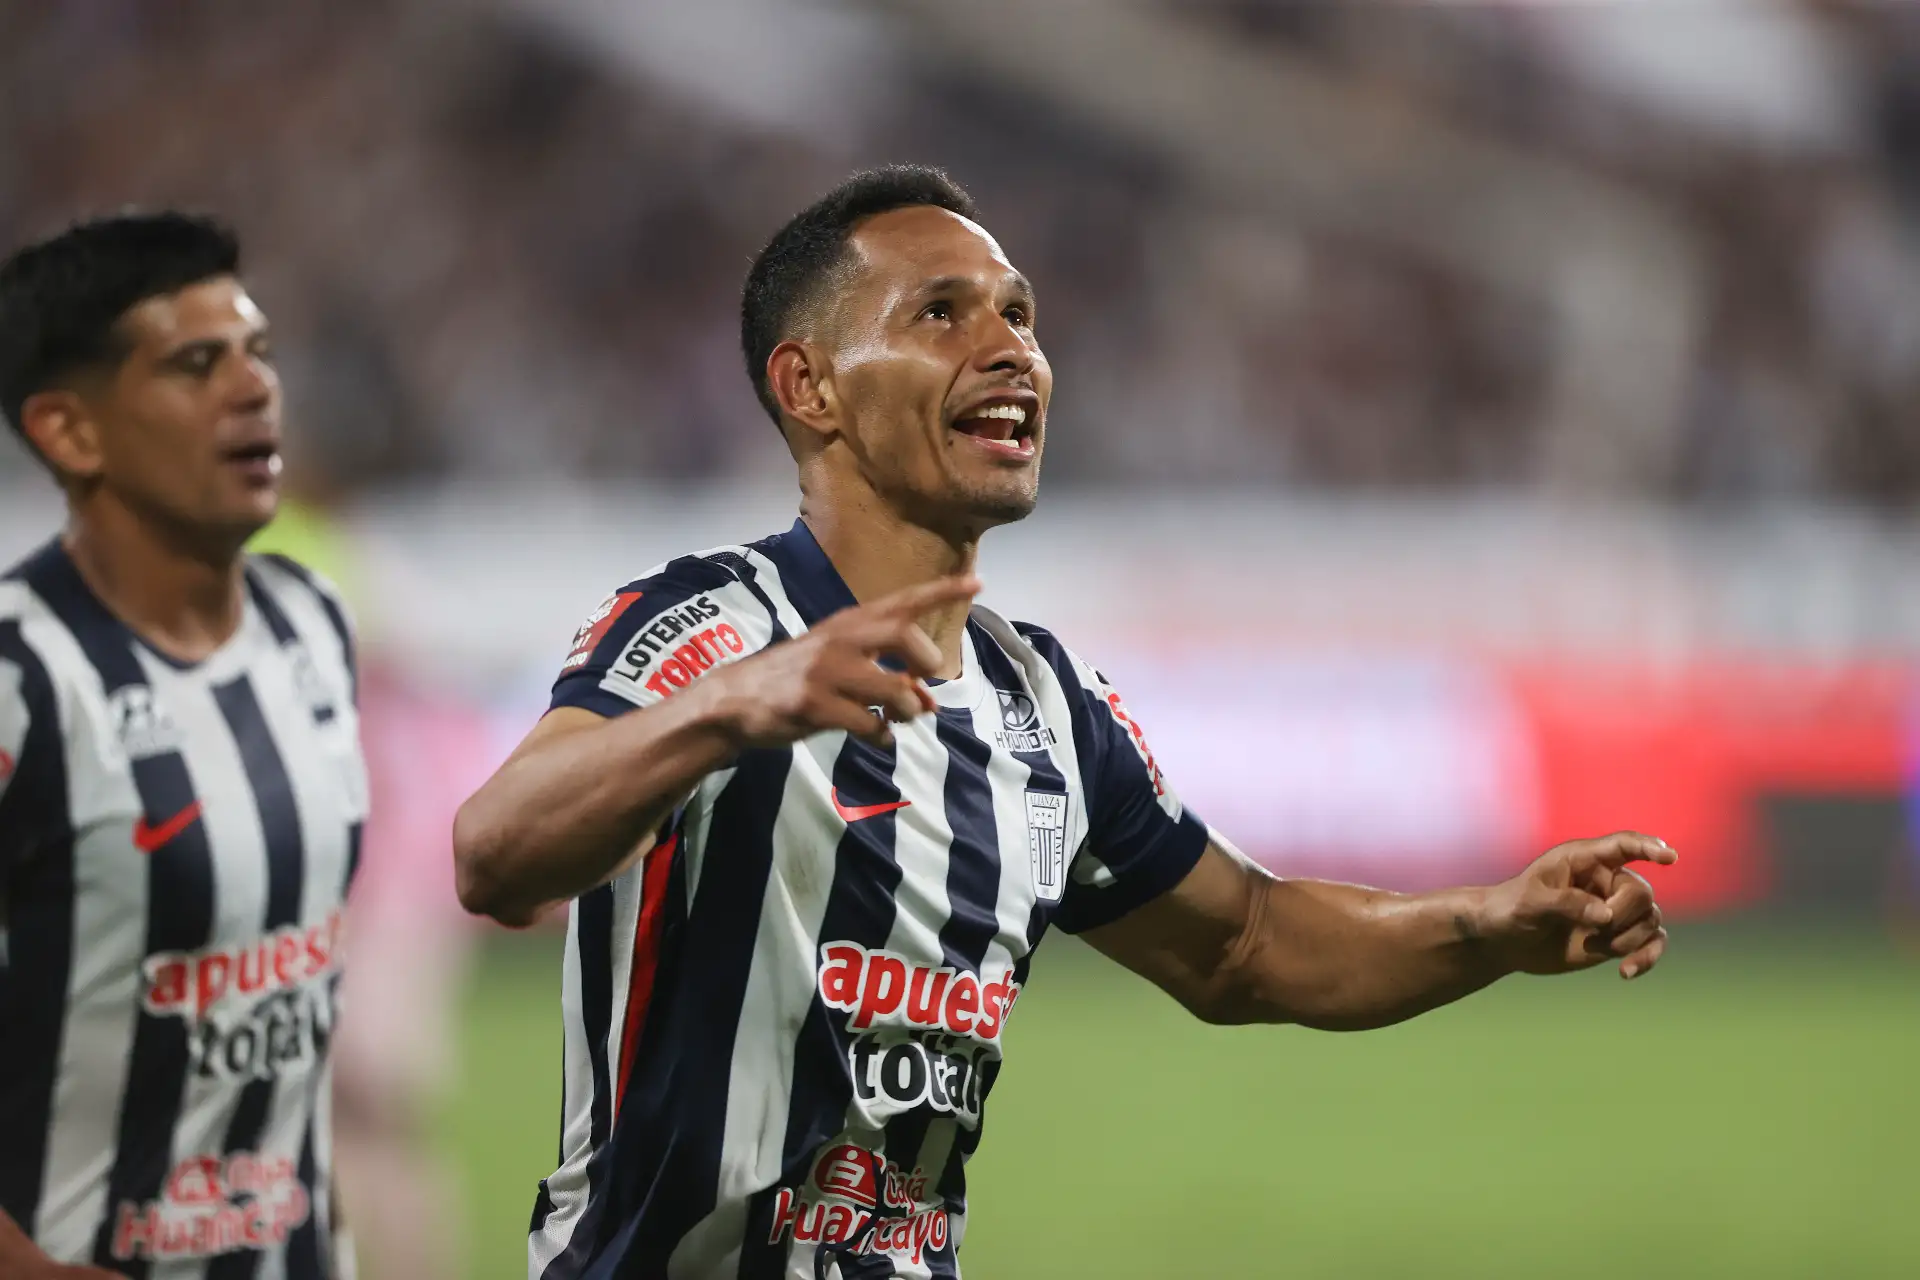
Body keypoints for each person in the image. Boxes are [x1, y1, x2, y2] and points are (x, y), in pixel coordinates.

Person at [452, 166, 1673, 1280]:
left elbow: (1247, 940)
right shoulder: (712, 623)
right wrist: (731, 707)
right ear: (808, 385)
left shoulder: (1043, 705)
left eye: (1021, 316)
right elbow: (496, 853)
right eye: (942, 313)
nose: (1010, 351)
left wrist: (1490, 921)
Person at [0, 214, 366, 1279]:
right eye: (195, 365)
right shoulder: (23, 681)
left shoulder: (313, 624)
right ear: (71, 432)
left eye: (257, 352)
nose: (253, 389)